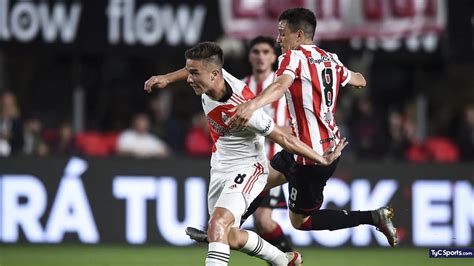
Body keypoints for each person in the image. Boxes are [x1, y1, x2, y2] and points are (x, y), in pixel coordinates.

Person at [144, 42, 346, 265]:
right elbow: (193, 67)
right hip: (220, 166)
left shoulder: (244, 109)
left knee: (217, 224)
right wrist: (166, 78)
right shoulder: (213, 76)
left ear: (214, 74)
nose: (189, 79)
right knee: (229, 236)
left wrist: (320, 158)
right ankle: (284, 260)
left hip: (249, 168)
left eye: (194, 74)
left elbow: (284, 138)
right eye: (189, 73)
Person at [227, 7, 398, 247]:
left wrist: (252, 105)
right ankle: (228, 229)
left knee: (301, 221)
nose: (278, 39)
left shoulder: (292, 57)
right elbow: (360, 79)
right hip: (313, 146)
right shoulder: (331, 60)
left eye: (282, 33)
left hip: (311, 158)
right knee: (260, 181)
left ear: (298, 35)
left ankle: (373, 217)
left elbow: (280, 86)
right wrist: (344, 83)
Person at [243, 36, 293, 253]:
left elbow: (294, 129)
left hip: (273, 164)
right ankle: (283, 258)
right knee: (257, 224)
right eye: (256, 52)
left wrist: (261, 128)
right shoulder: (241, 86)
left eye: (265, 52)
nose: (260, 56)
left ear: (274, 57)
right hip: (244, 163)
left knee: (262, 220)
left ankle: (289, 258)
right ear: (249, 56)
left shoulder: (285, 85)